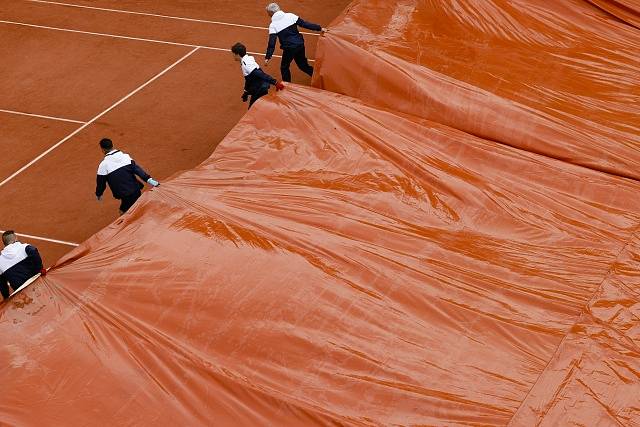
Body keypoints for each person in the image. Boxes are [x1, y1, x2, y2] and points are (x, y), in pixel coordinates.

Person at [263, 3, 327, 82]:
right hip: (300, 45)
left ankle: (287, 86)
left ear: (271, 13)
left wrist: (268, 56)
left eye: (268, 13)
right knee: (303, 65)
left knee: (284, 67)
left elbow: (272, 42)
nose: (268, 15)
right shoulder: (290, 16)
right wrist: (319, 28)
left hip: (289, 49)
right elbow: (305, 24)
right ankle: (318, 77)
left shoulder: (273, 25)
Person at [95, 138, 159, 215]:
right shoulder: (126, 157)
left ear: (102, 149)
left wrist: (99, 194)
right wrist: (150, 180)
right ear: (112, 146)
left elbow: (101, 183)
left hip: (124, 194)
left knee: (123, 213)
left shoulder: (103, 165)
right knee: (137, 208)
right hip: (136, 190)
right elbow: (138, 170)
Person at [231, 42, 285, 109]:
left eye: (233, 54)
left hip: (259, 88)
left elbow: (261, 74)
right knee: (261, 107)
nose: (232, 55)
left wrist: (275, 82)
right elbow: (248, 79)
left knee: (253, 109)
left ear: (238, 54)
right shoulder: (247, 59)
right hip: (260, 86)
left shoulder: (246, 64)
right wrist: (246, 91)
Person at [0, 231, 46, 300]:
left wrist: (6, 297)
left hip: (22, 295)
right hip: (37, 286)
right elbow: (34, 253)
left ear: (4, 243)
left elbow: (2, 283)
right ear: (15, 238)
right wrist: (40, 270)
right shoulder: (26, 247)